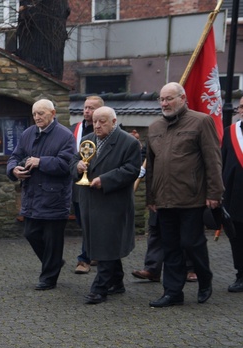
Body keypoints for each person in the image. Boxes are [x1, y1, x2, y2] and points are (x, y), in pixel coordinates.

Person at [145, 82, 224, 307]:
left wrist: (215, 192)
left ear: (183, 98)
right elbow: (151, 165)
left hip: (192, 197)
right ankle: (173, 292)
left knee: (191, 243)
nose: (164, 103)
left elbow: (213, 160)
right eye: (161, 99)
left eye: (169, 98)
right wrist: (151, 197)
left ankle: (204, 278)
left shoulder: (201, 121)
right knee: (170, 247)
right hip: (164, 200)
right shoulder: (154, 127)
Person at [70, 107, 141, 304]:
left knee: (108, 242)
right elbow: (74, 160)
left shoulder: (128, 142)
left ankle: (99, 288)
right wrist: (77, 167)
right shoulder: (88, 139)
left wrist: (106, 180)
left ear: (113, 121)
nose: (98, 125)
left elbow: (132, 170)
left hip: (113, 202)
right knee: (102, 242)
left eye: (102, 121)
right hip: (89, 202)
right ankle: (117, 281)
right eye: (95, 121)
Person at [6, 98, 76, 290]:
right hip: (32, 197)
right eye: (34, 114)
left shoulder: (65, 136)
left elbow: (67, 165)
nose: (37, 117)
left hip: (55, 197)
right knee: (30, 233)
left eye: (41, 114)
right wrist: (13, 170)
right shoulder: (28, 133)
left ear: (53, 114)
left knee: (53, 240)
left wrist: (40, 162)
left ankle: (48, 278)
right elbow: (15, 156)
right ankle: (52, 262)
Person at [130, 129, 197, 284]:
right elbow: (144, 157)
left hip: (182, 191)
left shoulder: (189, 133)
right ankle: (152, 269)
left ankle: (190, 268)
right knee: (156, 230)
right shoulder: (155, 132)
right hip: (158, 191)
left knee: (184, 232)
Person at [71, 95, 104, 274]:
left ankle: (84, 259)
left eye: (91, 108)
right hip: (78, 186)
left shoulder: (109, 130)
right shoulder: (75, 130)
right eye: (85, 107)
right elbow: (70, 157)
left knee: (92, 222)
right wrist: (75, 166)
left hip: (98, 186)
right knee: (83, 222)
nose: (87, 111)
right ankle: (94, 251)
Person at [221, 97, 243, 293]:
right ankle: (241, 275)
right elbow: (223, 162)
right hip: (235, 196)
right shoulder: (230, 132)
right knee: (237, 238)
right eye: (242, 106)